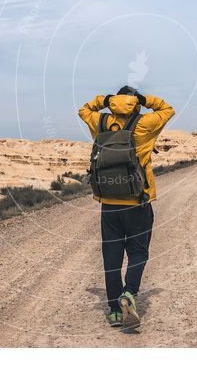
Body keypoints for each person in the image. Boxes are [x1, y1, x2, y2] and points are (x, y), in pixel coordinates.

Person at [78, 86, 175, 328]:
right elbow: (168, 109)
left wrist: (105, 100)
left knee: (111, 258)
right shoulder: (145, 124)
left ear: (113, 102)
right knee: (138, 252)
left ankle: (113, 312)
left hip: (109, 204)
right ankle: (129, 293)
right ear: (137, 104)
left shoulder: (99, 122)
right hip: (138, 202)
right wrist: (146, 99)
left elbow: (84, 109)